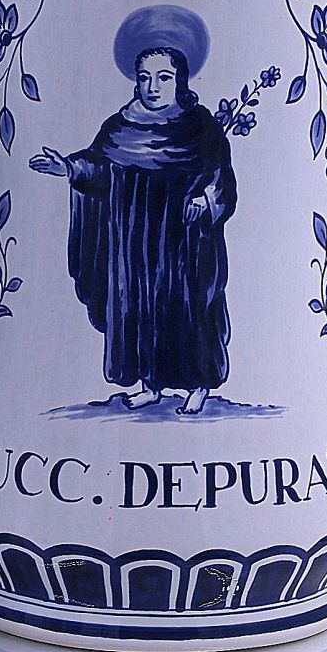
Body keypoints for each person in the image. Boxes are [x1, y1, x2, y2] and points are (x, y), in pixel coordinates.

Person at [30, 40, 236, 416]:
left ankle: (198, 384)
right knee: (139, 307)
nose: (153, 86)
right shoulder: (120, 127)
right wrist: (69, 168)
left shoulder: (201, 128)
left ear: (181, 80)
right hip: (134, 240)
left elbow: (221, 179)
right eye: (144, 77)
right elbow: (100, 168)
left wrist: (205, 201)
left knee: (188, 308)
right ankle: (150, 385)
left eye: (164, 77)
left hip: (185, 242)